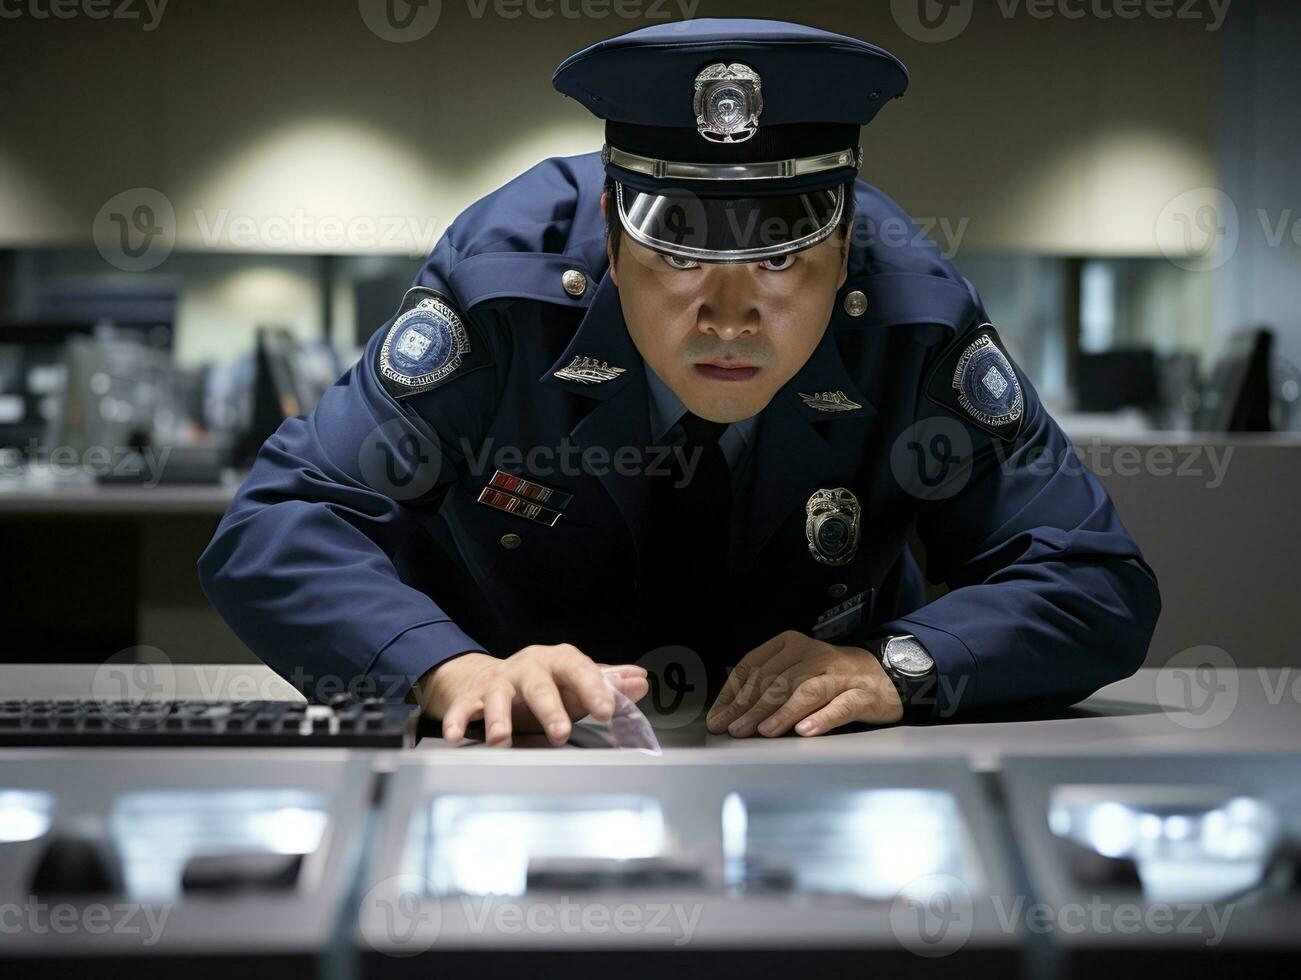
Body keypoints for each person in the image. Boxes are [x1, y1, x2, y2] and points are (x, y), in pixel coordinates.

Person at [198, 18, 1160, 746]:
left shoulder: (911, 317)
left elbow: (1093, 579)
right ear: (612, 233)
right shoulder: (505, 289)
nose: (731, 315)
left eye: (781, 262)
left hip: (817, 766)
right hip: (522, 757)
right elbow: (281, 522)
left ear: (843, 242)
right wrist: (440, 669)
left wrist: (895, 666)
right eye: (680, 257)